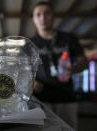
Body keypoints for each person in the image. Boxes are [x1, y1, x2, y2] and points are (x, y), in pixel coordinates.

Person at [28, 1, 88, 130]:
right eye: (38, 14)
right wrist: (31, 82)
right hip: (42, 99)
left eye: (47, 13)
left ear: (53, 16)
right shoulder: (30, 44)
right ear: (33, 19)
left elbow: (84, 62)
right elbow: (23, 70)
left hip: (67, 98)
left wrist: (73, 69)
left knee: (69, 128)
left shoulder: (68, 38)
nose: (42, 18)